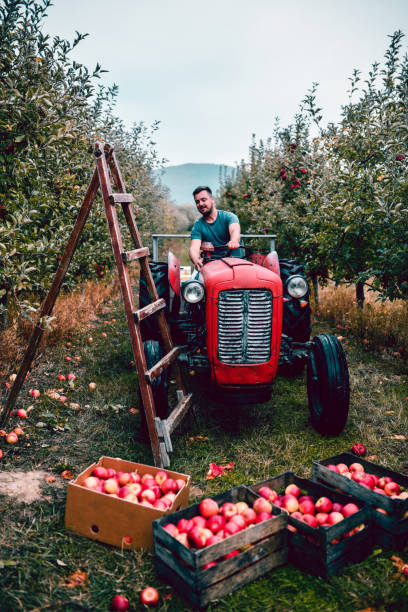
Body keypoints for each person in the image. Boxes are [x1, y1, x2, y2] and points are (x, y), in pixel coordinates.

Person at [189, 186, 241, 271]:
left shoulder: (229, 217)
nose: (200, 204)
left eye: (203, 200)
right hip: (212, 269)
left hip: (235, 266)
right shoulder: (197, 226)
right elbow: (194, 248)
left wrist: (234, 241)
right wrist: (196, 259)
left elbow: (235, 230)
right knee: (194, 283)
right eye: (197, 202)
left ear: (212, 199)